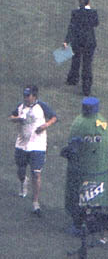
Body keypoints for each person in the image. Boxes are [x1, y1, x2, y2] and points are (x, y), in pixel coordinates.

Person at [61, 97, 108, 239]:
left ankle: (85, 224)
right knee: (90, 200)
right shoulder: (98, 123)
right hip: (92, 171)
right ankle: (91, 226)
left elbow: (69, 151)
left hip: (88, 171)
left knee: (83, 199)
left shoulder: (80, 123)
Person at [9, 85, 57, 215]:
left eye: (28, 96)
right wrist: (17, 119)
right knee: (20, 169)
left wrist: (45, 125)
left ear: (34, 96)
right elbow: (11, 117)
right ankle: (23, 181)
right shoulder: (21, 106)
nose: (25, 98)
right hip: (22, 144)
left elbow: (54, 117)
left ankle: (35, 203)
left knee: (36, 173)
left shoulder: (42, 106)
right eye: (24, 95)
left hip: (38, 145)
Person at [64, 0, 99, 96]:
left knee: (75, 61)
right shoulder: (93, 13)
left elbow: (71, 28)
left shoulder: (75, 13)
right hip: (89, 42)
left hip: (77, 41)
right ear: (89, 2)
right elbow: (96, 23)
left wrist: (66, 41)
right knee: (87, 65)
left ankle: (73, 79)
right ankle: (86, 88)